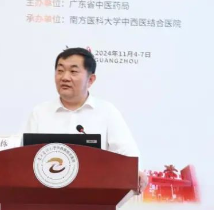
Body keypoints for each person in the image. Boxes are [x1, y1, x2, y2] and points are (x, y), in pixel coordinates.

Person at [24, 47, 148, 193]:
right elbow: (22, 156)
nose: (64, 77)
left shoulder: (107, 112)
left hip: (95, 197)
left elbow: (127, 154)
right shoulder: (40, 113)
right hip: (44, 196)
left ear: (90, 80)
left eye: (73, 71)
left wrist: (135, 173)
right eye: (60, 70)